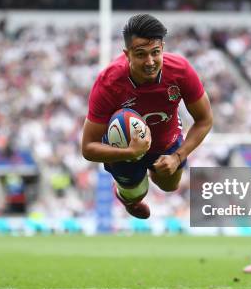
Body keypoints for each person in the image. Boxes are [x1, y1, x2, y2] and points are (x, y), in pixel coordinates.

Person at [81, 14, 213, 219]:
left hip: (166, 140)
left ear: (163, 49)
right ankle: (128, 196)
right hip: (124, 146)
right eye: (141, 54)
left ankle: (151, 171)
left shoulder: (180, 71)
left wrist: (177, 157)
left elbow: (205, 120)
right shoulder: (108, 83)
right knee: (135, 193)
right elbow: (88, 148)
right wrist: (129, 152)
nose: (150, 61)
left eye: (155, 52)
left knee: (169, 185)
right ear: (127, 54)